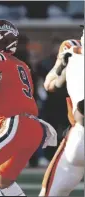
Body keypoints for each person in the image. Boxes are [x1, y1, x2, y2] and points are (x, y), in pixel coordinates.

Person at [0, 19, 57, 196]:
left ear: (2, 40)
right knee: (3, 181)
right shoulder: (21, 64)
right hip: (35, 128)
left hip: (16, 124)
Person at [39, 28, 84, 196]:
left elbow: (50, 85)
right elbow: (50, 84)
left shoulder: (72, 51)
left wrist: (62, 67)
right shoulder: (72, 50)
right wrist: (62, 67)